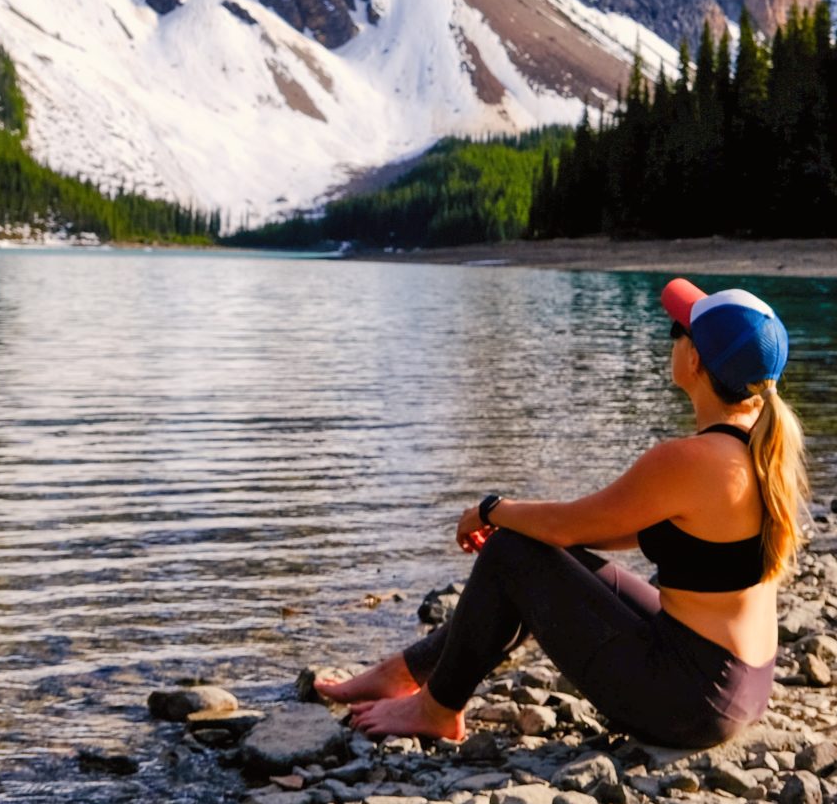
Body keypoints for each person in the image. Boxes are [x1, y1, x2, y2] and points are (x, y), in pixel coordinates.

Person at [319, 279, 809, 749]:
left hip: (689, 700)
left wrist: (491, 510)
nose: (673, 341)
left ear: (695, 358)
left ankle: (436, 710)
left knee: (514, 550)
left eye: (676, 332)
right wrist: (525, 532)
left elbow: (568, 524)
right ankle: (404, 673)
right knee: (534, 551)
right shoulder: (760, 447)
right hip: (737, 685)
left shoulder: (688, 459)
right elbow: (628, 530)